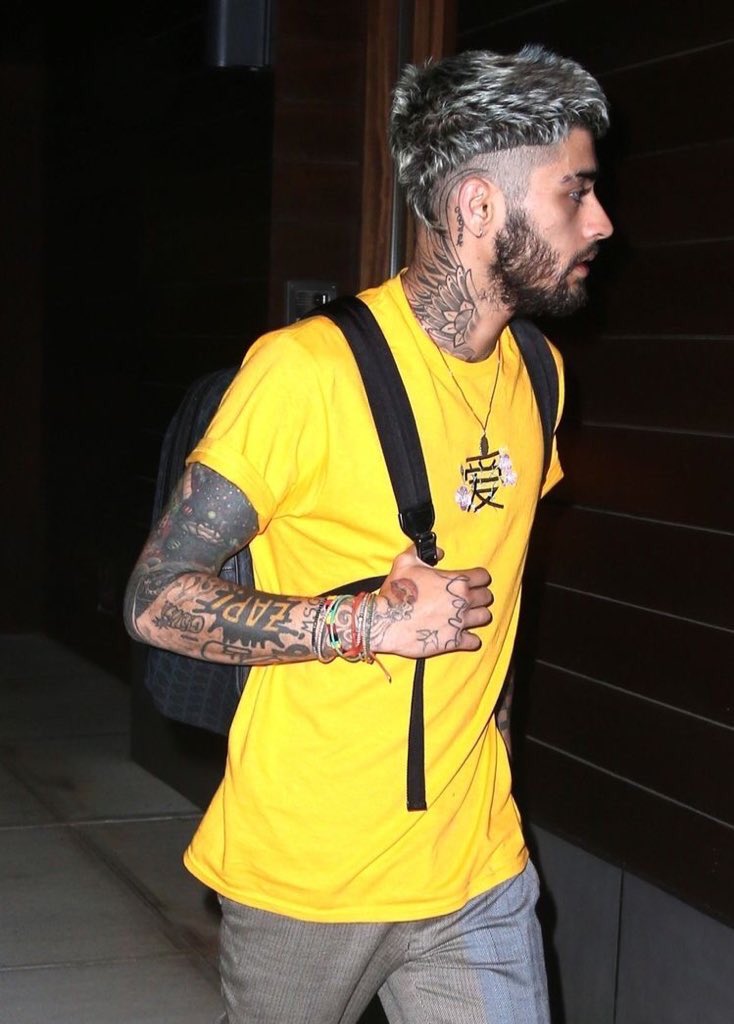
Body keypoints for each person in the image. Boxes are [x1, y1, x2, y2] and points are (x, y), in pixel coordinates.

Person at [124, 44, 613, 1024]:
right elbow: (156, 599)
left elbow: (496, 605)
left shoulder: (539, 375)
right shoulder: (304, 374)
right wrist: (367, 625)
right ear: (477, 206)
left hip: (475, 865)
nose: (600, 220)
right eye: (575, 191)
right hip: (312, 875)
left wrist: (496, 765)